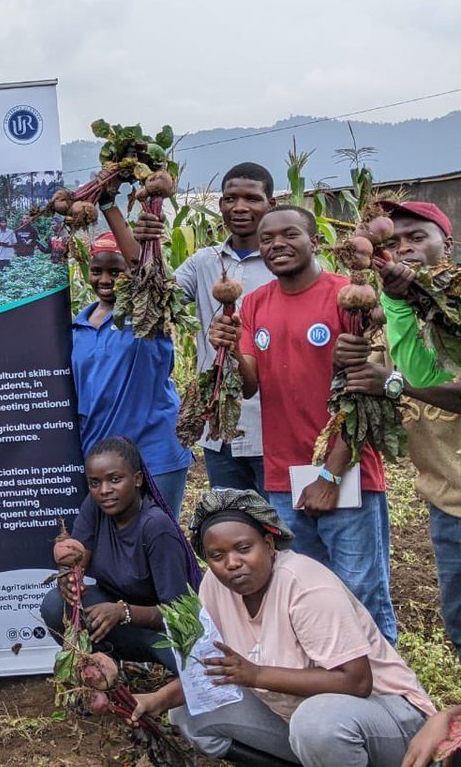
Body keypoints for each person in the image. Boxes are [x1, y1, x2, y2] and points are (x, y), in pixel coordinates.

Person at [132, 489, 433, 767]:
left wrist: (257, 675)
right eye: (217, 556)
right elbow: (211, 670)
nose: (232, 563)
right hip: (298, 719)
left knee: (315, 724)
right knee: (192, 712)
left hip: (388, 719)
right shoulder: (215, 585)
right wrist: (158, 698)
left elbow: (357, 682)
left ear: (269, 543)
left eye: (243, 548)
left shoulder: (305, 587)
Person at [208, 206, 397, 643]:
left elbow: (363, 399)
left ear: (315, 239)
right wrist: (232, 348)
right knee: (308, 588)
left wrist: (330, 474)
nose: (276, 244)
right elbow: (251, 386)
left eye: (289, 234)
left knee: (360, 589)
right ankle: (329, 681)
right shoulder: (254, 303)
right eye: (267, 238)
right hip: (283, 474)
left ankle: (389, 694)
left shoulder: (348, 295)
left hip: (346, 470)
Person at [337, 200, 461, 656]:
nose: (403, 250)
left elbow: (421, 386)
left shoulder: (454, 302)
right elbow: (365, 379)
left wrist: (392, 384)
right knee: (460, 626)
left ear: (446, 244)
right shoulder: (383, 313)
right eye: (391, 242)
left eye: (416, 238)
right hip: (447, 496)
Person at [134, 162, 276, 494]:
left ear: (271, 204)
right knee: (232, 528)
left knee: (282, 534)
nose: (239, 207)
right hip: (220, 428)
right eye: (230, 198)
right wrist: (144, 244)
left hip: (275, 428)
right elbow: (157, 299)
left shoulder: (285, 263)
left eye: (252, 198)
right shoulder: (204, 262)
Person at [40, 437, 201, 673]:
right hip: (120, 614)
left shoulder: (156, 527)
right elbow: (80, 555)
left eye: (115, 480)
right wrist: (70, 578)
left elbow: (181, 614)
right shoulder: (97, 507)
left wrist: (123, 612)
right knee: (56, 604)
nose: (104, 490)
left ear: (137, 479)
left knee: (195, 670)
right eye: (95, 483)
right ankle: (105, 671)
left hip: (164, 627)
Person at [71, 227, 193, 515]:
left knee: (158, 538)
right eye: (97, 270)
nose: (105, 280)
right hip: (99, 456)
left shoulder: (146, 316)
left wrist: (109, 204)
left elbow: (147, 276)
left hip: (154, 453)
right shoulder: (75, 328)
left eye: (115, 272)